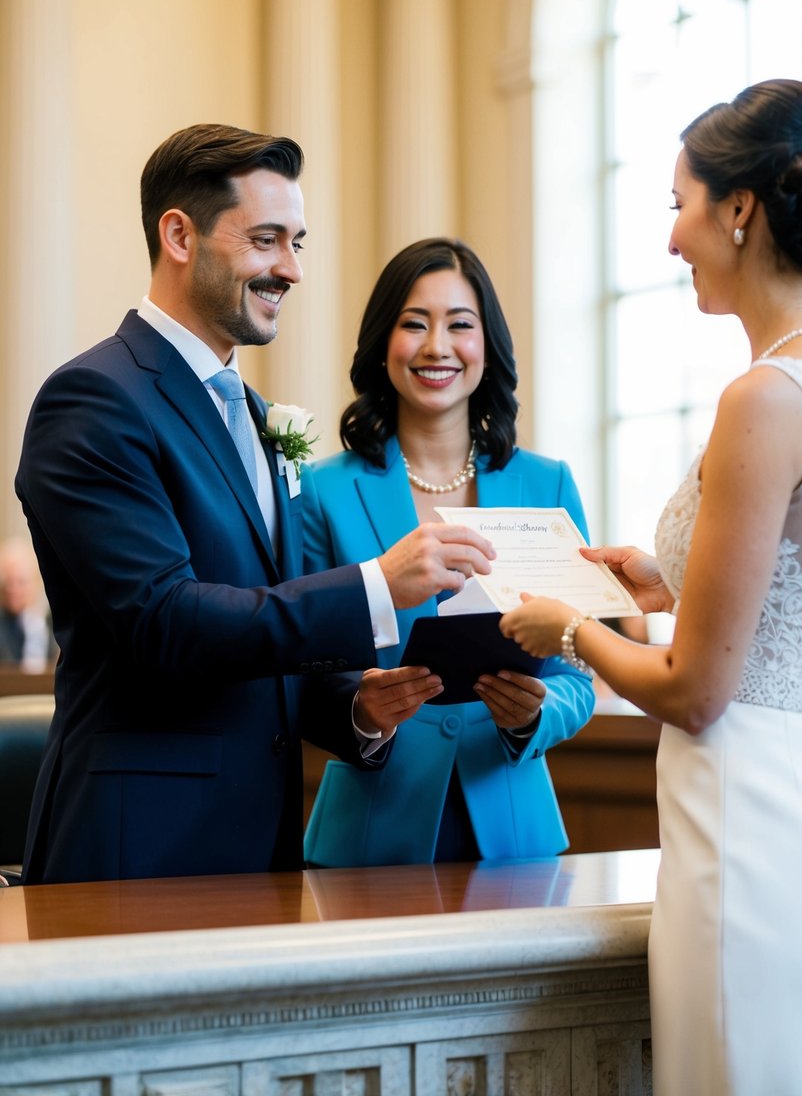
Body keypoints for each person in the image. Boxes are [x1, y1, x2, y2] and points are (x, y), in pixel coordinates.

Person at [14, 125, 495, 886]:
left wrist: (356, 712)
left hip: (259, 846)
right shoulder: (95, 399)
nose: (291, 270)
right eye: (267, 240)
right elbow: (163, 622)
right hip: (136, 845)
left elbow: (263, 634)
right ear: (179, 234)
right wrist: (375, 583)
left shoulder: (258, 414)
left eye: (297, 242)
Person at [500, 78, 802, 1096]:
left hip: (743, 815)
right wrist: (659, 577)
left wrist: (566, 630)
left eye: (679, 204)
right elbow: (795, 589)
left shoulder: (764, 397)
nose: (671, 240)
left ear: (740, 209)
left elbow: (695, 690)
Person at [301, 237, 595, 866]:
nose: (437, 346)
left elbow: (578, 672)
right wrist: (362, 711)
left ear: (486, 347)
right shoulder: (320, 492)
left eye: (460, 325)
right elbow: (297, 666)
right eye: (414, 324)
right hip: (369, 832)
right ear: (384, 344)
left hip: (515, 832)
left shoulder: (548, 486)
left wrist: (533, 715)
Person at [0, 536, 56, 672]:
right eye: (8, 582)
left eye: (21, 582)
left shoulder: (51, 620)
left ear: (36, 582)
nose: (14, 590)